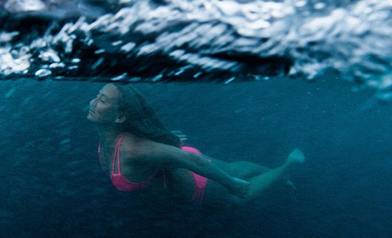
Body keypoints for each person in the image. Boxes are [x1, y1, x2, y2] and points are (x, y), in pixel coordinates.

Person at [88, 84, 305, 207]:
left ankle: (288, 165)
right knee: (234, 168)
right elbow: (148, 146)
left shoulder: (131, 148)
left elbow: (192, 160)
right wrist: (164, 141)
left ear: (120, 116)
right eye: (97, 96)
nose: (93, 102)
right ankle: (277, 175)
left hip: (199, 182)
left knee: (238, 197)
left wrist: (230, 184)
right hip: (187, 166)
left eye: (102, 100)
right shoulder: (111, 139)